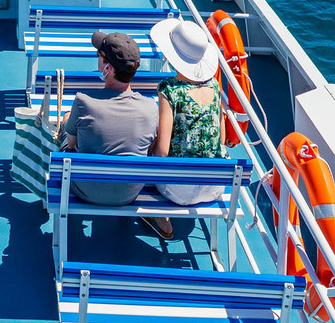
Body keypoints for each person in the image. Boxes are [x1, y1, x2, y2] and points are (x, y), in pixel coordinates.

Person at [141, 18, 226, 239]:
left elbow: (162, 152)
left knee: (143, 151)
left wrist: (147, 148)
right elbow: (222, 139)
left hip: (178, 190)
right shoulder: (215, 86)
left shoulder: (169, 89)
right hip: (215, 187)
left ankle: (161, 217)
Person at [55, 31, 158, 205]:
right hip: (128, 194)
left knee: (67, 124)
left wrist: (67, 121)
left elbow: (72, 144)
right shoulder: (150, 108)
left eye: (99, 55)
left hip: (85, 190)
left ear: (107, 68)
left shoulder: (83, 101)